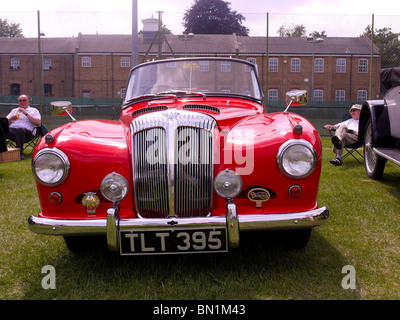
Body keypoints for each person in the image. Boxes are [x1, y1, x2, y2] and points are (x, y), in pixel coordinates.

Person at [5, 94, 41, 159]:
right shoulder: (14, 111)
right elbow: (4, 123)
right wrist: (10, 119)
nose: (22, 102)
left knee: (20, 129)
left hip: (28, 134)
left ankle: (19, 153)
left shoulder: (34, 110)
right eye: (20, 100)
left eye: (24, 100)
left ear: (28, 101)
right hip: (13, 132)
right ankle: (3, 152)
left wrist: (26, 113)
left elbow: (38, 123)